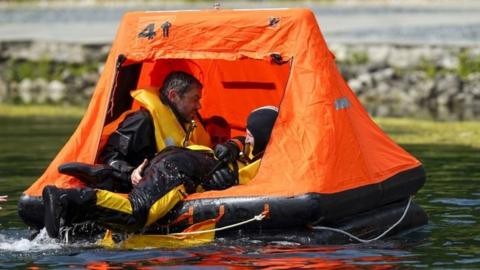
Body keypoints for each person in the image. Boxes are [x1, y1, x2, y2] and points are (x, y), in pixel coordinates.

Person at [42, 106, 279, 239]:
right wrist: (232, 147)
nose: (245, 137)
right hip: (180, 169)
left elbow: (246, 152)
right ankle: (68, 199)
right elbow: (244, 148)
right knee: (138, 213)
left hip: (178, 159)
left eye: (250, 133)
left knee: (139, 195)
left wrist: (231, 169)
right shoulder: (259, 150)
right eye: (245, 133)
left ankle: (111, 177)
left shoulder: (261, 153)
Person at [59, 71, 211, 193]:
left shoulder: (188, 124)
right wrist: (131, 172)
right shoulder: (141, 121)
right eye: (195, 99)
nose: (199, 106)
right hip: (135, 190)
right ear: (173, 96)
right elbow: (109, 156)